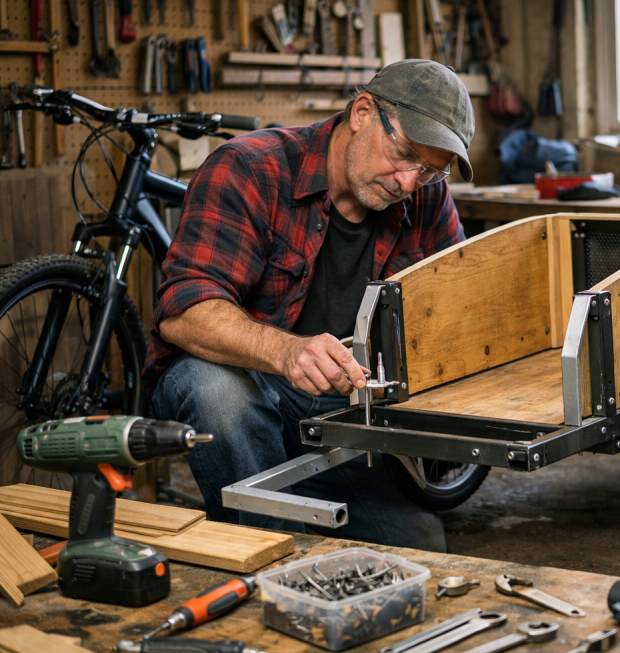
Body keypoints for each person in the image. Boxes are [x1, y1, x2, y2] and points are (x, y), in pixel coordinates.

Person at [144, 60, 475, 552]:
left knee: (421, 553)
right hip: (251, 383)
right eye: (404, 154)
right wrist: (285, 353)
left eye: (428, 170)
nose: (409, 182)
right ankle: (268, 553)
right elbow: (183, 308)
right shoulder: (249, 168)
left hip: (345, 411)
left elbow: (457, 302)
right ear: (362, 112)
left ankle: (298, 509)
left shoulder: (425, 195)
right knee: (217, 391)